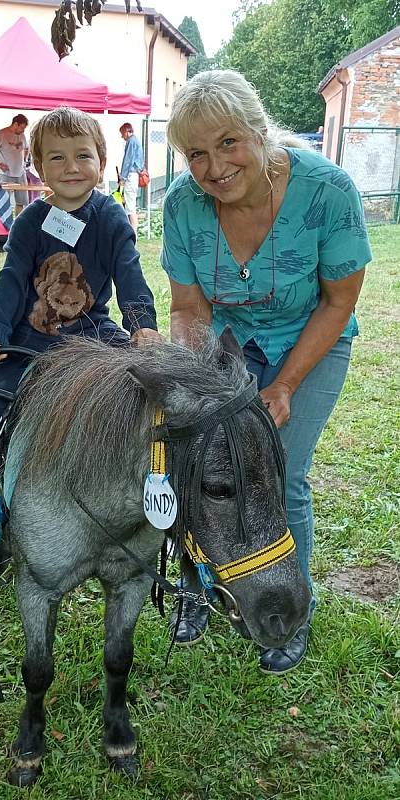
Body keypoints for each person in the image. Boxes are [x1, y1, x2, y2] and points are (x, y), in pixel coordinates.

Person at [161, 70, 371, 674]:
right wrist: (200, 381)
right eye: (196, 153)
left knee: (282, 473)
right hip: (227, 345)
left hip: (312, 340)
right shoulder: (182, 203)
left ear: (260, 131)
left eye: (228, 142)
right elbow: (189, 306)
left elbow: (339, 302)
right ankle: (201, 586)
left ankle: (286, 609)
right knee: (200, 464)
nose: (214, 167)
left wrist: (284, 385)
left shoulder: (327, 191)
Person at [0, 106, 161, 551]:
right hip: (30, 336)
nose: (71, 167)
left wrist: (142, 325)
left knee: (144, 390)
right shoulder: (31, 220)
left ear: (101, 162)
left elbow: (129, 273)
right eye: (56, 158)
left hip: (92, 333)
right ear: (36, 164)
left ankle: (152, 486)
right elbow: (11, 278)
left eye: (82, 155)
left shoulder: (110, 217)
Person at [0, 114, 29, 215]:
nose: (23, 131)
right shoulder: (1, 134)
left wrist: (25, 160)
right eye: (22, 127)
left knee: (21, 202)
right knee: (2, 201)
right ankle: (4, 226)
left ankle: (18, 226)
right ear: (15, 124)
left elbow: (26, 147)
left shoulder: (22, 135)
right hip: (5, 174)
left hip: (20, 173)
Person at [119, 122, 144, 235]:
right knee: (130, 205)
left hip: (130, 175)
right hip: (134, 175)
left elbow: (128, 160)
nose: (121, 136)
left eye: (122, 133)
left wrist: (122, 178)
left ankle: (132, 235)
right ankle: (132, 233)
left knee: (130, 207)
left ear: (127, 131)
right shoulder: (135, 141)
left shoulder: (131, 141)